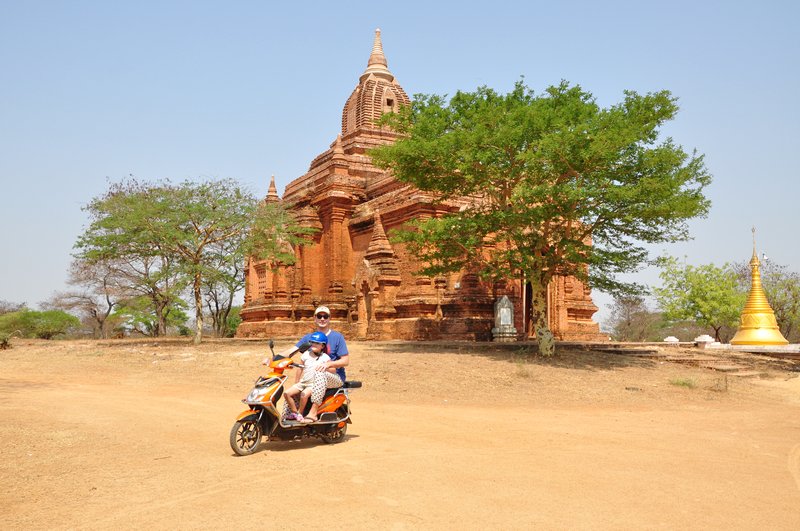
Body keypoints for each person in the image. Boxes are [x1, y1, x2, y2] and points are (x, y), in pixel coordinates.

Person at [283, 331, 330, 422]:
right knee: (287, 393)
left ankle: (300, 413)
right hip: (303, 382)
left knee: (304, 395)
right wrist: (296, 381)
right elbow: (300, 368)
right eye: (312, 342)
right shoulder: (305, 355)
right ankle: (294, 413)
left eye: (317, 343)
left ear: (323, 346)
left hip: (314, 384)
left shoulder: (325, 358)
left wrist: (326, 367)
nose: (313, 345)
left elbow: (332, 370)